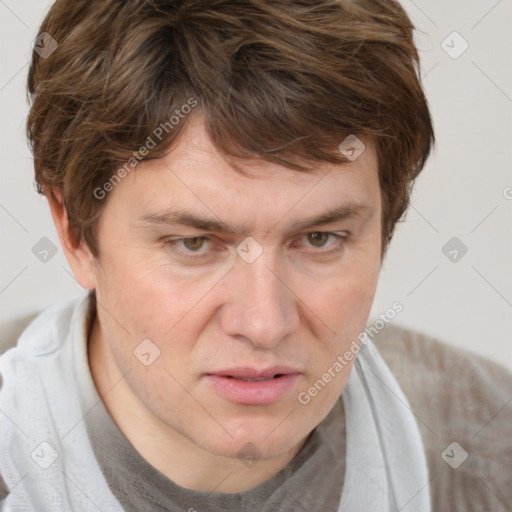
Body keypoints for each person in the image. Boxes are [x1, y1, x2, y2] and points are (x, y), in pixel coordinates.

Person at [0, 1, 510, 511]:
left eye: (319, 239)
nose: (264, 324)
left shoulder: (487, 440)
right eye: (194, 244)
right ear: (74, 234)